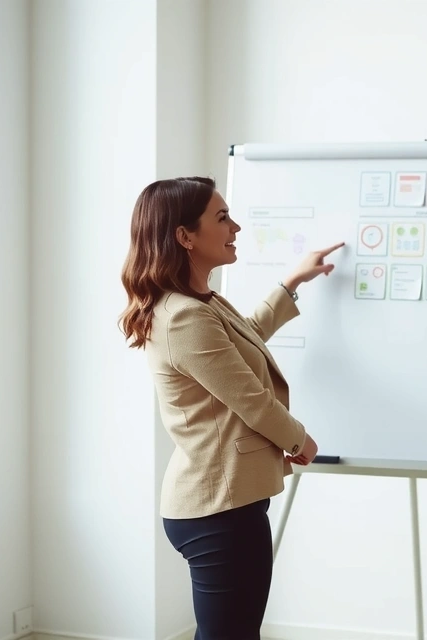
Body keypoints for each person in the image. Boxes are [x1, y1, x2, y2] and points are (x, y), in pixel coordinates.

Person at [118, 176, 343, 639]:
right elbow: (250, 399)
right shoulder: (184, 317)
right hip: (218, 512)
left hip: (222, 506)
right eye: (222, 218)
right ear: (185, 236)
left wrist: (291, 282)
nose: (235, 227)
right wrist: (299, 439)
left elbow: (247, 337)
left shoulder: (199, 304)